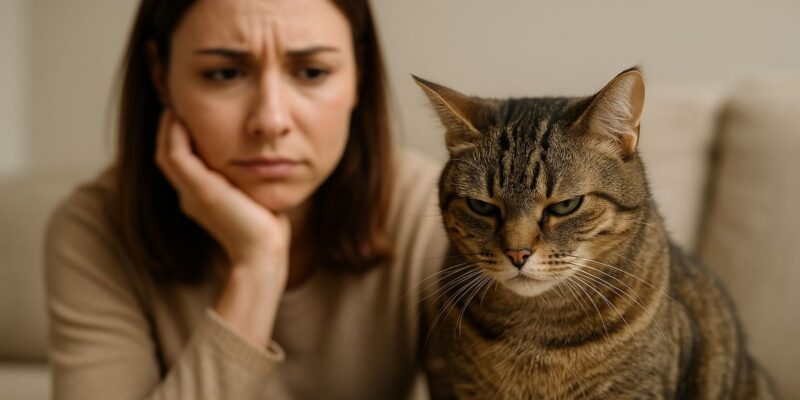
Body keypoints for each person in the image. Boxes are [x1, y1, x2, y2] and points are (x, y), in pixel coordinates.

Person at [43, 0, 449, 398]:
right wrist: (257, 266)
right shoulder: (95, 229)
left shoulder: (428, 212)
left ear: (359, 73)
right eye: (224, 74)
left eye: (311, 72)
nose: (271, 120)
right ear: (160, 75)